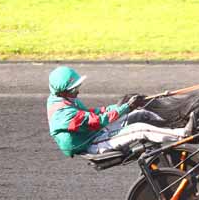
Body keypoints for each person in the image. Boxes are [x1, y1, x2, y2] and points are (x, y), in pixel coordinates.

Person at [46, 66, 189, 157]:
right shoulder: (63, 114)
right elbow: (98, 120)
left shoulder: (66, 100)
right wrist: (126, 107)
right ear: (62, 92)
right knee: (138, 129)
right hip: (91, 144)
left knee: (139, 114)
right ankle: (183, 135)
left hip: (95, 133)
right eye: (73, 89)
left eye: (77, 86)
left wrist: (124, 105)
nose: (77, 91)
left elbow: (95, 112)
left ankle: (176, 126)